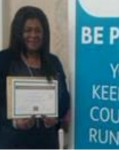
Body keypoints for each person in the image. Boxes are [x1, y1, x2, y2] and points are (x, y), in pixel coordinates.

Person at [0, 6, 70, 149]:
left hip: (47, 141)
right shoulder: (4, 60)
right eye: (28, 30)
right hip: (13, 142)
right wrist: (13, 122)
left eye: (38, 30)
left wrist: (56, 117)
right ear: (18, 32)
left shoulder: (53, 62)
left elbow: (64, 99)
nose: (33, 35)